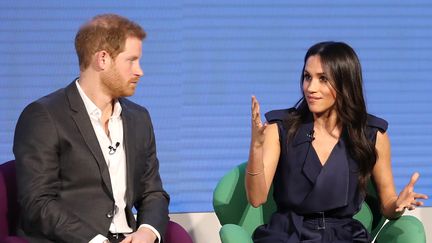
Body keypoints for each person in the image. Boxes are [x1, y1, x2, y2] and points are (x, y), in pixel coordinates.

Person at [246, 41, 428, 242]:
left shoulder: (371, 134)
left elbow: (387, 205)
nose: (311, 88)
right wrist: (256, 147)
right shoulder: (280, 128)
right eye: (308, 77)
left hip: (344, 236)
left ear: (345, 83)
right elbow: (257, 198)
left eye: (323, 79)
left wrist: (397, 205)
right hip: (289, 234)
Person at [13, 14, 169, 243]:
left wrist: (147, 231)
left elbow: (152, 192)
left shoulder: (139, 118)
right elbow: (38, 202)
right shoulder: (44, 116)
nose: (140, 71)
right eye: (131, 60)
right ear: (103, 59)